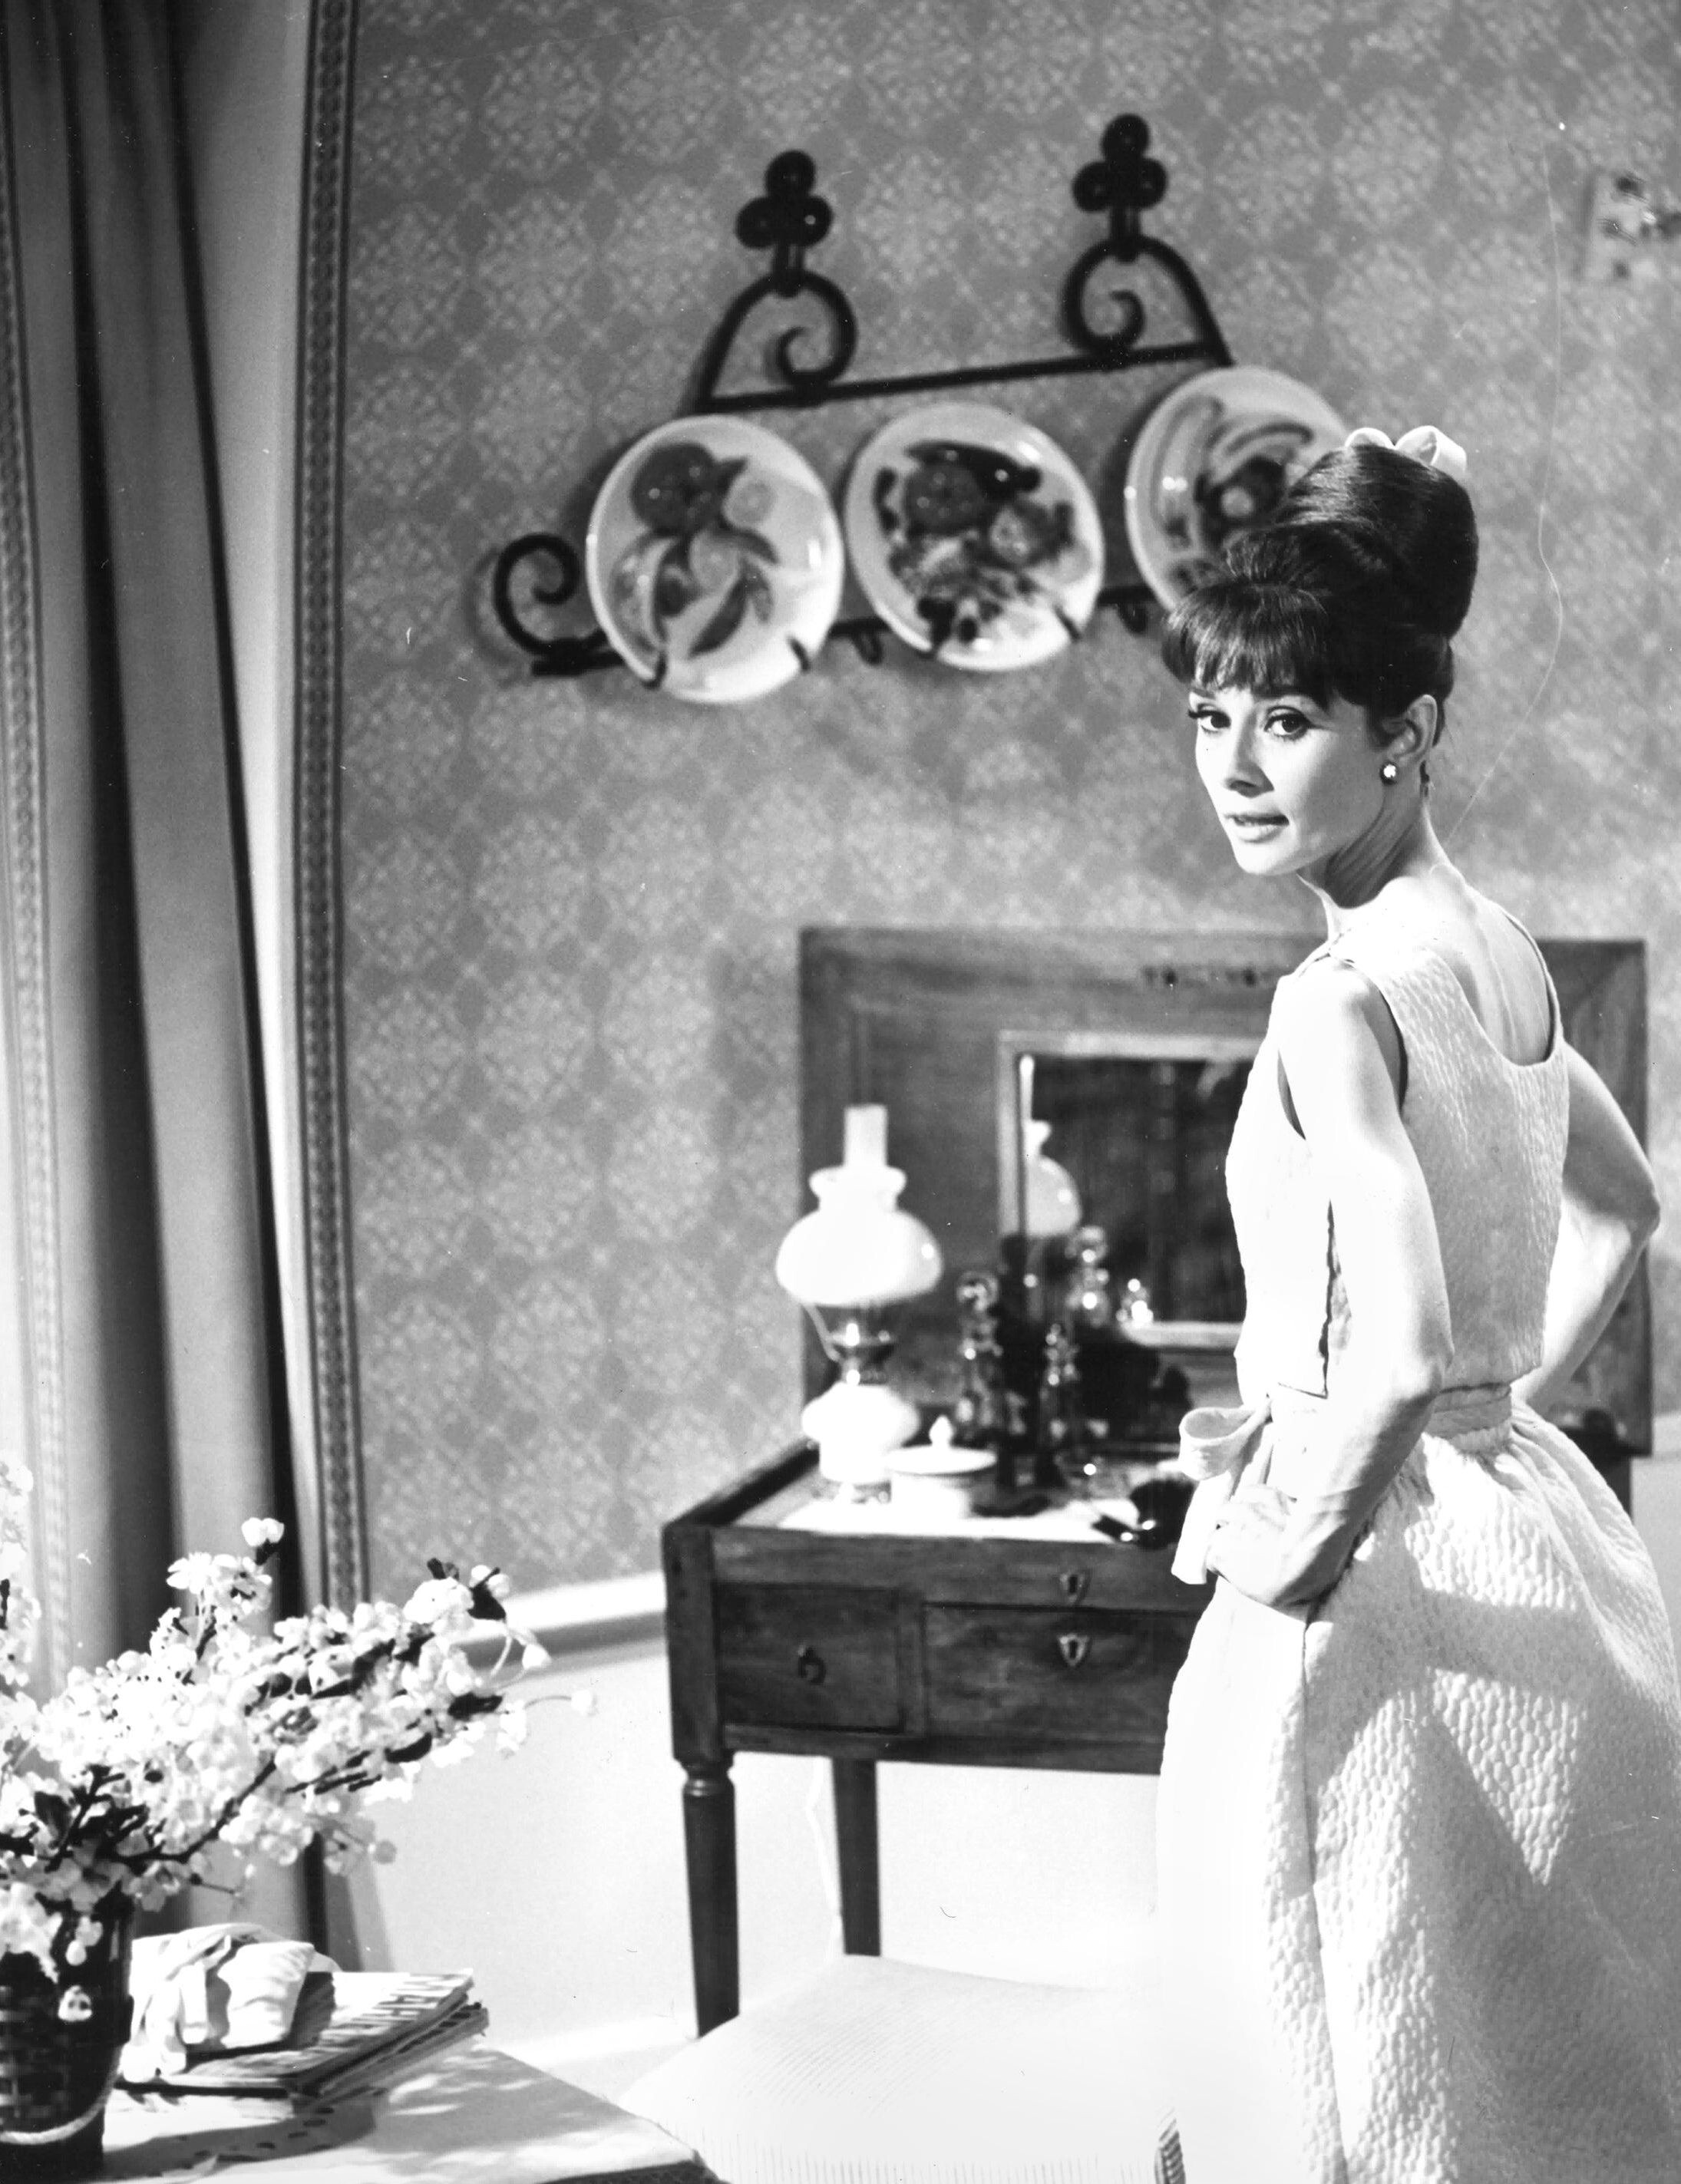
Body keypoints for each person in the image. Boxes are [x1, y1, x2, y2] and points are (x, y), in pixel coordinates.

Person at [1152, 426, 1681, 2184]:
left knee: (1337, 2039)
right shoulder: (1507, 954)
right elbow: (1626, 1205)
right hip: (1530, 1535)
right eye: (1211, 714)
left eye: (1288, 718)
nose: (1235, 766)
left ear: (1409, 729)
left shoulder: (1340, 995)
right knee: (1502, 2046)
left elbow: (1391, 1344)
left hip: (1372, 1569)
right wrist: (1499, 1402)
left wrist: (1288, 1555)